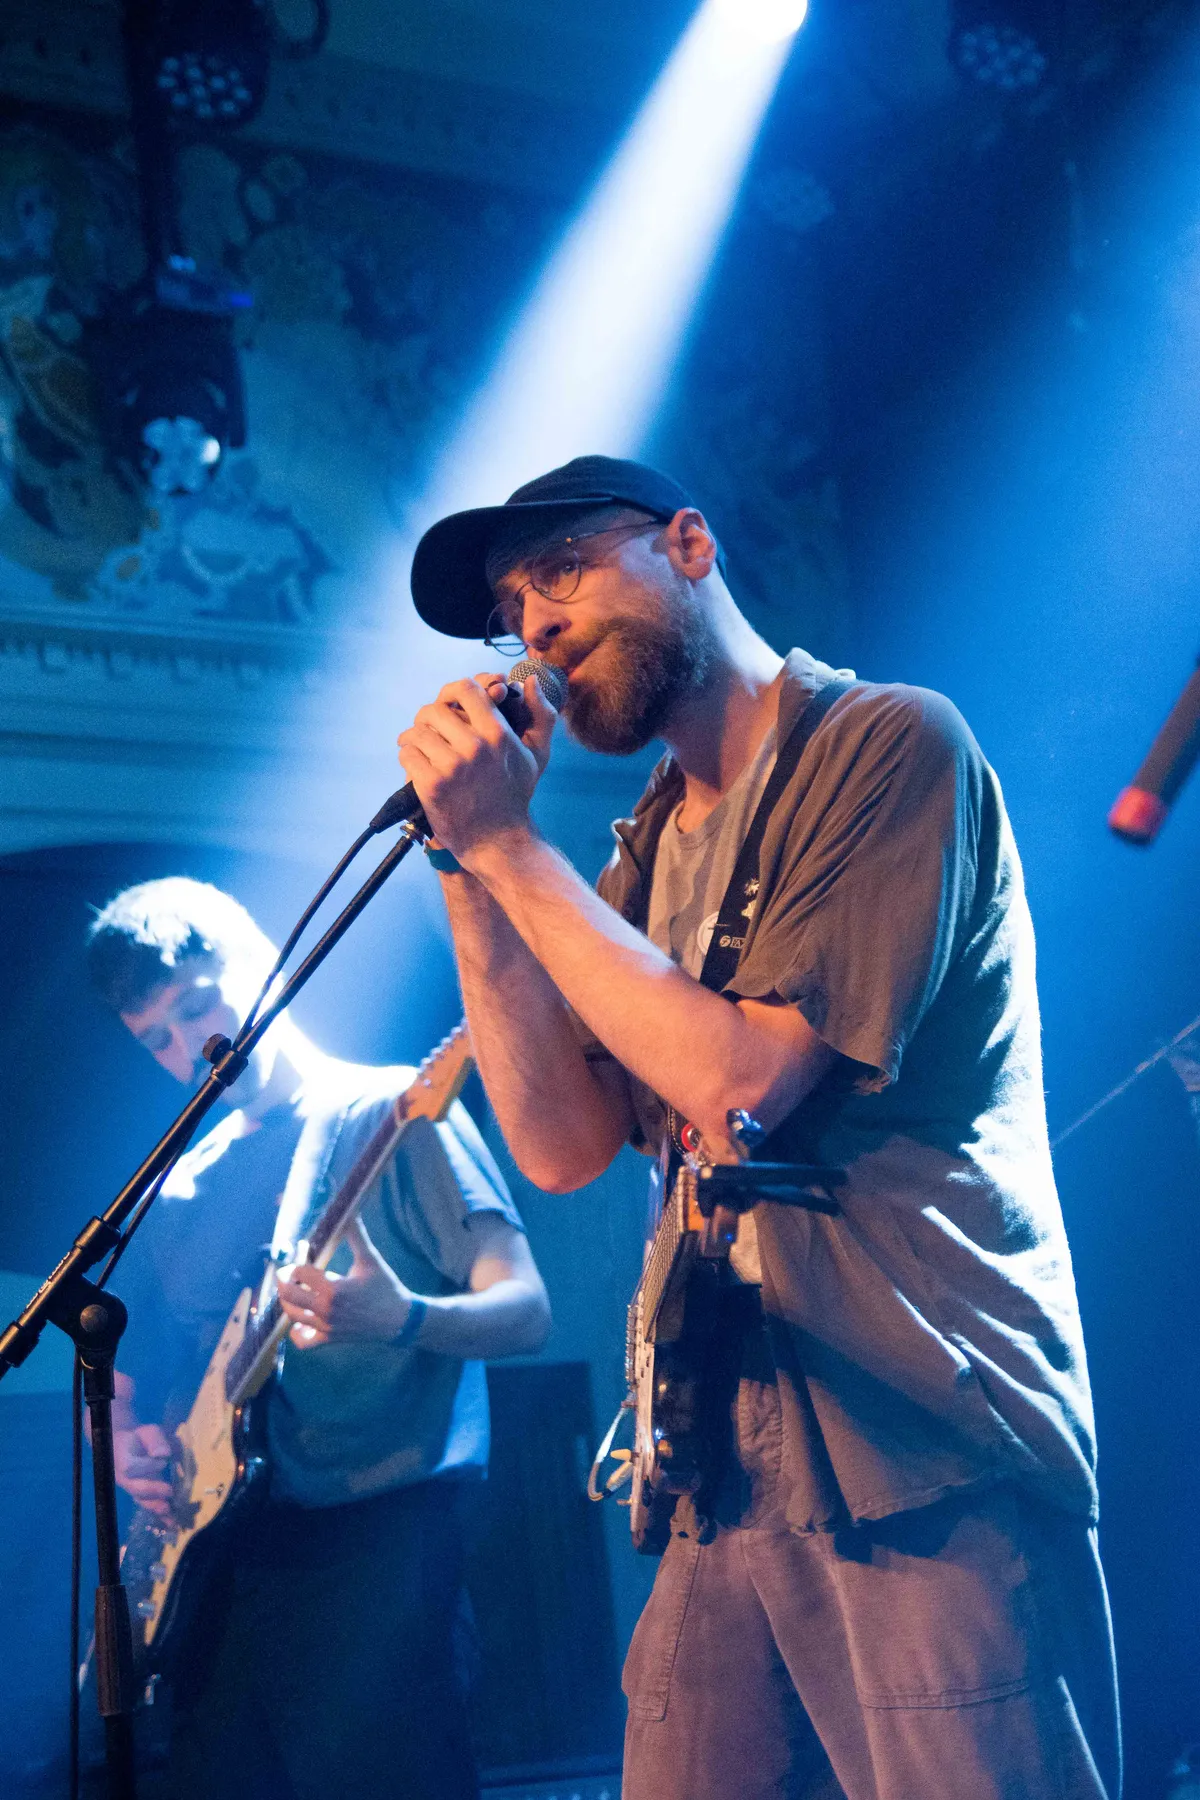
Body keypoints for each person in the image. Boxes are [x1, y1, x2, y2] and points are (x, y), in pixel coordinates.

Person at [398, 453, 1122, 1800]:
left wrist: (510, 849)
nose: (535, 626)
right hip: (719, 1450)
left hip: (919, 1447)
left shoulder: (891, 746)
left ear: (688, 544)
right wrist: (464, 869)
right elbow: (559, 1147)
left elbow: (741, 1082)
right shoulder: (640, 852)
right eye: (510, 611)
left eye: (560, 572)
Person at [86, 876, 551, 1800]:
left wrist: (403, 1316)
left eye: (198, 1006)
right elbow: (122, 1381)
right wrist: (124, 1449)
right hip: (220, 1566)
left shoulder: (388, 1110)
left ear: (266, 962)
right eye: (158, 1039)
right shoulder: (180, 1187)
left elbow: (528, 1310)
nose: (189, 1048)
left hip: (374, 1550)